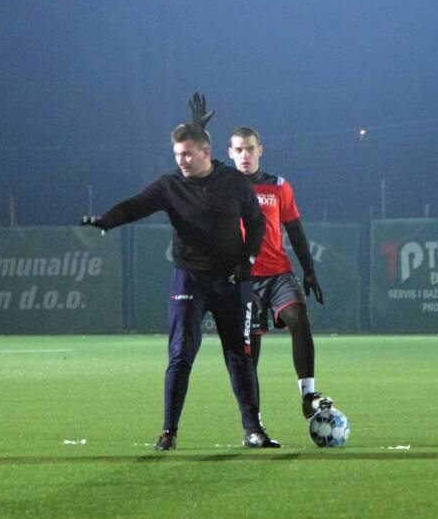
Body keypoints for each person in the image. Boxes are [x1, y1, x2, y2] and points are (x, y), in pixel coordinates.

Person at [81, 95, 279, 450]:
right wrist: (107, 221)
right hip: (189, 280)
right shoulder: (170, 185)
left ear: (206, 153)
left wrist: (246, 261)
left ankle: (254, 430)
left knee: (240, 356)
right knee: (180, 355)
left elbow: (256, 223)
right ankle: (168, 432)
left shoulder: (233, 182)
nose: (181, 161)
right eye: (177, 155)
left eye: (187, 154)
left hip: (232, 282)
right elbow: (136, 205)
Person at [226, 126, 328, 420]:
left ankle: (308, 395)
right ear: (230, 153)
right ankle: (253, 420)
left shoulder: (278, 186)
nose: (245, 155)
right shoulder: (226, 187)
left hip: (279, 273)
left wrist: (310, 271)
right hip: (245, 279)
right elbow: (197, 175)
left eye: (250, 148)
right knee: (250, 349)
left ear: (260, 150)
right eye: (239, 150)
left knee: (298, 316)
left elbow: (295, 230)